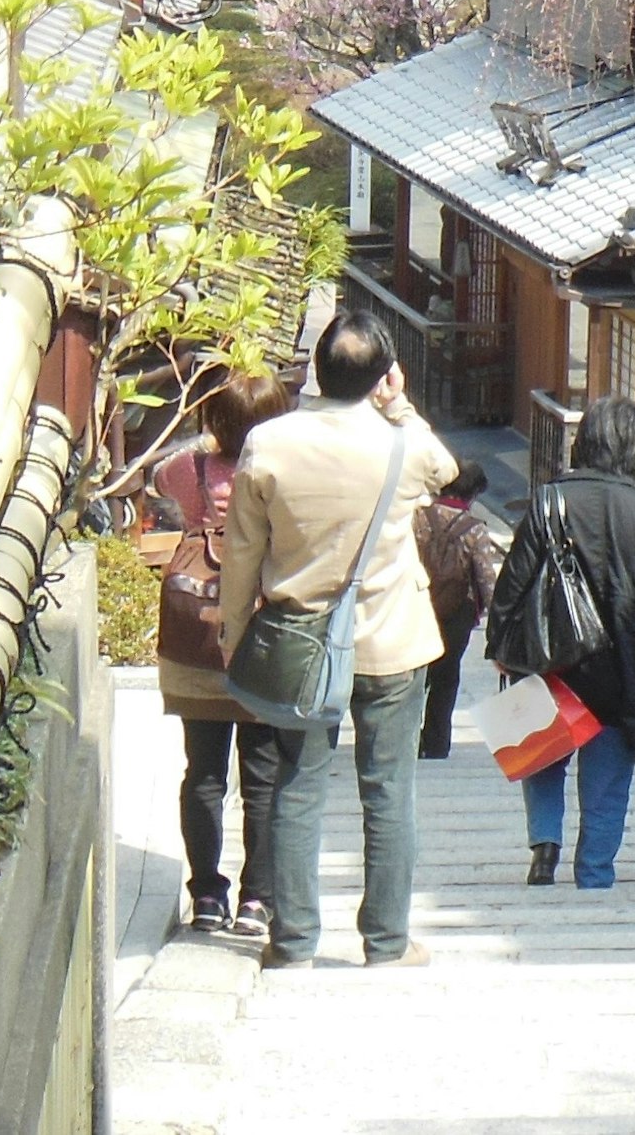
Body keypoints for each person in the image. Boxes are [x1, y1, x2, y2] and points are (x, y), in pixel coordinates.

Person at [219, 312, 457, 969]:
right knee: (389, 791)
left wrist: (234, 630)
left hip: (300, 642)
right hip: (391, 638)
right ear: (382, 374)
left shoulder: (267, 444)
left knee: (298, 785)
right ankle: (386, 940)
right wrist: (399, 401)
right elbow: (446, 468)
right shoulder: (401, 443)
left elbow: (242, 553)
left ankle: (292, 939)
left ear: (315, 369)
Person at [488, 395, 635, 889]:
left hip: (549, 654)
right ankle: (595, 869)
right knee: (609, 767)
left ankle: (544, 844)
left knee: (545, 748)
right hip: (624, 661)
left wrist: (499, 645)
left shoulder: (549, 500)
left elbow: (514, 582)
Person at [155, 370, 298, 937]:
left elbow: (160, 477)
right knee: (263, 775)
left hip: (199, 647)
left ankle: (207, 895)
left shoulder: (190, 471)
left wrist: (207, 437)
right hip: (262, 643)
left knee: (204, 775)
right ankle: (257, 900)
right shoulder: (281, 475)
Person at [413, 455, 510, 760]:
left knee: (414, 676)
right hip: (456, 614)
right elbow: (485, 577)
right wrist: (499, 623)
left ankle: (408, 739)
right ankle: (437, 742)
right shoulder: (473, 529)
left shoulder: (417, 518)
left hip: (417, 605)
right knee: (446, 677)